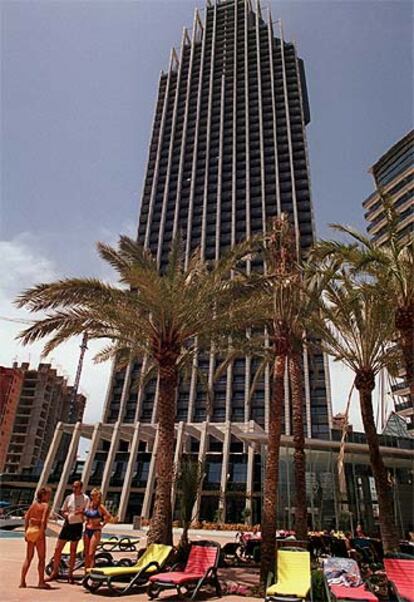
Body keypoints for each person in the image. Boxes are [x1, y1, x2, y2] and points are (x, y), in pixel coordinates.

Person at [46, 480, 89, 583]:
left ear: (81, 488)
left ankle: (70, 574)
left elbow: (88, 511)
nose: (74, 489)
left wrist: (81, 512)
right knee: (57, 549)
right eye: (73, 487)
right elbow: (63, 510)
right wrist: (65, 514)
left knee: (73, 551)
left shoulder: (86, 498)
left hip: (77, 526)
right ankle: (54, 572)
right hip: (67, 524)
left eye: (76, 487)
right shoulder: (69, 497)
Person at [20, 487, 51, 589]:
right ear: (43, 495)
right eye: (48, 494)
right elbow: (43, 521)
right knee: (41, 558)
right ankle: (41, 582)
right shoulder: (46, 506)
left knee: (28, 558)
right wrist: (41, 532)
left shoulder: (33, 505)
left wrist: (26, 531)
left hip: (30, 530)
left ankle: (22, 581)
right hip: (38, 530)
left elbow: (26, 517)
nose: (50, 496)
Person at [83, 488, 113, 571]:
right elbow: (85, 514)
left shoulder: (100, 506)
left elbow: (109, 516)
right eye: (91, 495)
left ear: (98, 496)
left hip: (95, 531)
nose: (91, 496)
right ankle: (86, 573)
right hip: (87, 530)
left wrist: (102, 525)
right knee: (86, 553)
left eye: (93, 495)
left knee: (91, 553)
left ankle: (91, 572)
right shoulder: (89, 504)